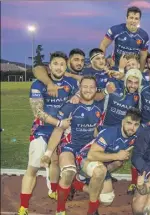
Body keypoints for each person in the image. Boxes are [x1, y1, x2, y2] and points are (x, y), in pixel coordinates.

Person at [18, 52, 77, 215]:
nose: (59, 67)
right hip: (42, 131)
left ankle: (54, 190)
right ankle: (23, 207)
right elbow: (37, 112)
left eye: (62, 64)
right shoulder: (38, 84)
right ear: (49, 66)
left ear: (66, 67)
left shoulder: (72, 83)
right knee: (33, 167)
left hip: (64, 131)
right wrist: (58, 122)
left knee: (56, 163)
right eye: (55, 63)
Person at [40, 76, 103, 215]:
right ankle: (60, 210)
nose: (88, 90)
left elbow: (97, 132)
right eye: (85, 86)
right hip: (69, 146)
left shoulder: (100, 107)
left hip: (87, 149)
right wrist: (48, 154)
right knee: (68, 172)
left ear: (96, 89)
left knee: (98, 175)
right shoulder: (70, 106)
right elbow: (58, 130)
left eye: (91, 87)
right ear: (79, 88)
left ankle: (92, 209)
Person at [70, 109, 142, 214]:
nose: (132, 128)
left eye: (136, 124)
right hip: (85, 158)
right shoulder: (110, 133)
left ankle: (78, 184)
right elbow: (92, 154)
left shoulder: (136, 134)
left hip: (103, 163)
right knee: (100, 171)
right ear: (122, 122)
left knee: (106, 200)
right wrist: (116, 155)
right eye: (129, 123)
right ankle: (92, 209)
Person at [99, 6, 149, 71]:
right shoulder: (115, 30)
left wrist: (141, 72)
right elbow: (103, 45)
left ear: (139, 20)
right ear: (126, 18)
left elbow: (143, 56)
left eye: (136, 19)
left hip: (132, 69)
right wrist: (103, 64)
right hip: (115, 67)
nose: (133, 21)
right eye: (131, 18)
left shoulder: (144, 35)